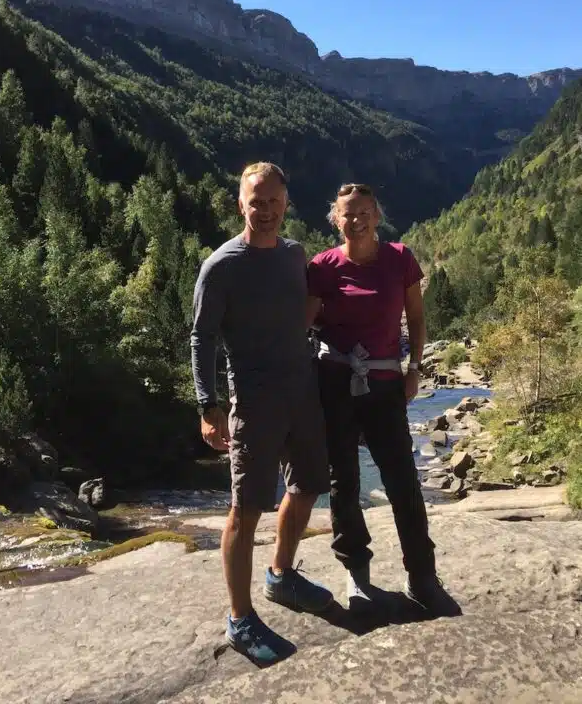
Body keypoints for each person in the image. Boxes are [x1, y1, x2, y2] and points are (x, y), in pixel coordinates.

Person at [191, 162, 333, 666]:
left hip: (303, 392)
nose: (266, 211)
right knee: (246, 508)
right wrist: (208, 407)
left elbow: (310, 310)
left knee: (309, 483)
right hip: (253, 401)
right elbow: (201, 338)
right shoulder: (222, 266)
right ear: (241, 204)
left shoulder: (295, 255)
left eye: (274, 202)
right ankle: (239, 618)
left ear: (286, 204)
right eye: (257, 202)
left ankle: (281, 576)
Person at [307, 182, 459, 617]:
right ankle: (356, 572)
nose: (354, 220)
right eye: (346, 214)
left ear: (377, 215)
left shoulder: (400, 259)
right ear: (335, 219)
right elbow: (301, 323)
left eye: (363, 212)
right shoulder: (323, 266)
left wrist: (415, 368)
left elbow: (416, 317)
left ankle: (422, 576)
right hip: (334, 384)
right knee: (344, 483)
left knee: (402, 481)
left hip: (386, 385)